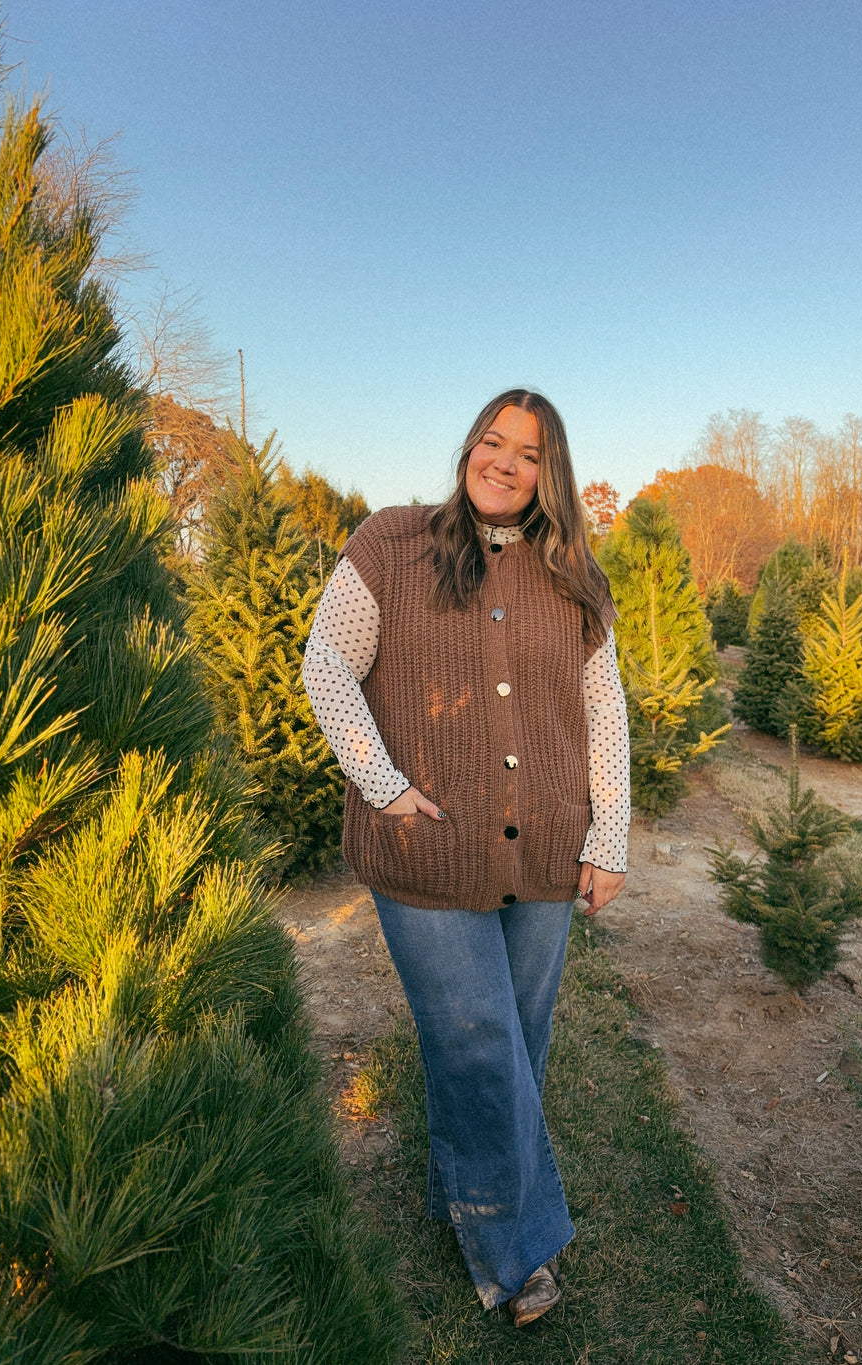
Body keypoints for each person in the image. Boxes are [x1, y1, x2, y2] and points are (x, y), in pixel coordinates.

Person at [302, 389, 630, 1326]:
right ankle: (515, 1253)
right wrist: (384, 784)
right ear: (469, 449)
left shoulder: (576, 576)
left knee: (514, 1044)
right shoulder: (392, 542)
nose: (505, 462)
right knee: (480, 1042)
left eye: (529, 453)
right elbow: (327, 665)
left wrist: (608, 834)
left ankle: (472, 1197)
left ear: (548, 473)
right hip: (428, 851)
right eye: (494, 441)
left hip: (549, 849)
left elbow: (604, 710)